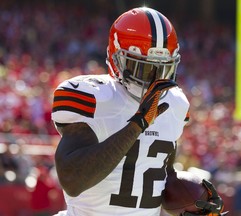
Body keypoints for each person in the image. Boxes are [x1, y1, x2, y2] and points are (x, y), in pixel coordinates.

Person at [51, 7, 227, 216]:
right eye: (142, 68)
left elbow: (159, 171)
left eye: (161, 69)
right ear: (116, 58)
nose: (152, 80)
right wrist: (137, 124)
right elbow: (73, 180)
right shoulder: (95, 97)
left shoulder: (175, 102)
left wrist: (193, 200)